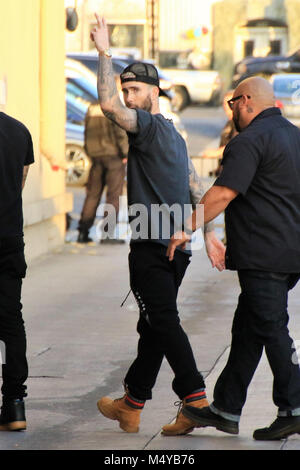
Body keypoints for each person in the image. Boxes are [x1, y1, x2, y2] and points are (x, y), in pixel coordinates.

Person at [90, 14, 226, 435]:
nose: (128, 97)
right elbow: (195, 188)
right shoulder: (175, 135)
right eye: (126, 88)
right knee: (152, 324)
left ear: (154, 92)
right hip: (178, 250)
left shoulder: (147, 127)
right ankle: (131, 404)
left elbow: (108, 105)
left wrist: (104, 52)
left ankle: (196, 399)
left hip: (153, 246)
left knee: (162, 320)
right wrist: (208, 232)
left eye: (134, 90)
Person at [167, 76, 300, 441]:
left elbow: (223, 193)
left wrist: (187, 227)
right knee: (248, 330)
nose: (233, 112)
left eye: (232, 104)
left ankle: (294, 407)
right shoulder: (294, 136)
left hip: (263, 256)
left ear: (245, 101)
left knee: (272, 329)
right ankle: (226, 408)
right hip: (288, 254)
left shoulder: (249, 141)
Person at [0, 112, 34, 431]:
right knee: (11, 321)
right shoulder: (19, 131)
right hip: (9, 240)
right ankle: (14, 405)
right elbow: (18, 185)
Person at [77, 86, 128, 244]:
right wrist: (125, 153)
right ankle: (107, 234)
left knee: (92, 194)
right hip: (114, 157)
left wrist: (89, 151)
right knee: (113, 196)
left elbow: (86, 132)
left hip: (96, 157)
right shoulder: (113, 106)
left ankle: (83, 232)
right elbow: (120, 133)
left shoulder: (92, 107)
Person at [201, 89, 238, 176]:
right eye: (224, 103)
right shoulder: (229, 122)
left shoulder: (238, 123)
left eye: (229, 103)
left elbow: (236, 146)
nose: (225, 106)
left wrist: (215, 153)